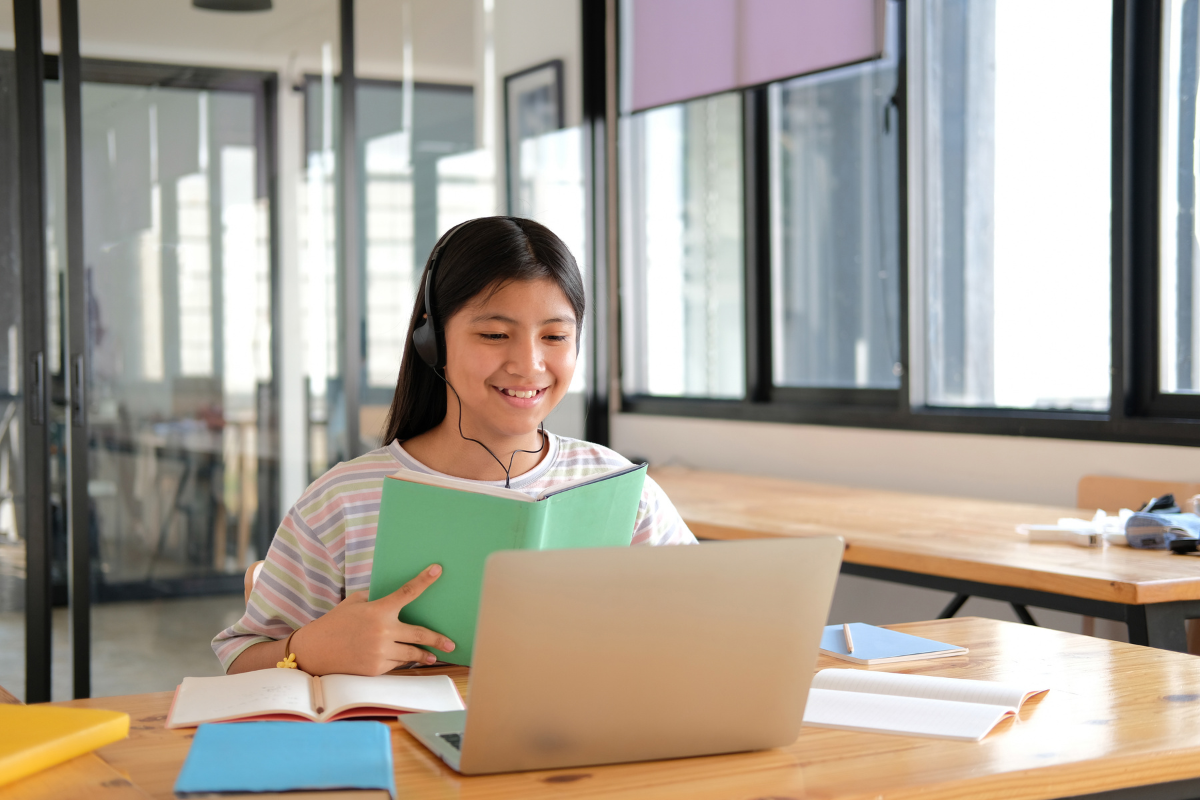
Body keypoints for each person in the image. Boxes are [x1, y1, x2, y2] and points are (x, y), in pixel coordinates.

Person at [212, 216, 697, 676]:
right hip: (395, 755)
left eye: (555, 336)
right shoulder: (344, 500)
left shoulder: (618, 488)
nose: (529, 365)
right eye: (494, 334)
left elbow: (707, 624)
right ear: (433, 340)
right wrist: (310, 649)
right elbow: (239, 659)